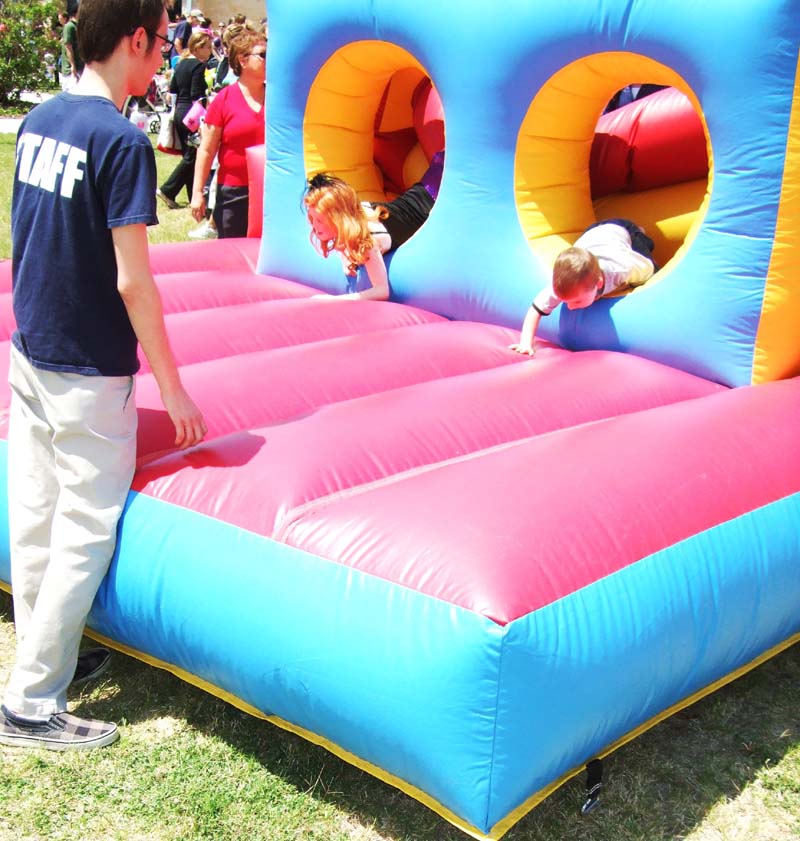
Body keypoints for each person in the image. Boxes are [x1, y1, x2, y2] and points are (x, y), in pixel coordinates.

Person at [0, 0, 206, 752]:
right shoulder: (122, 141)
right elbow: (133, 280)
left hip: (32, 349)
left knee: (35, 515)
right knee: (85, 527)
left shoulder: (42, 119)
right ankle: (31, 702)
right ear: (136, 39)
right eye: (161, 41)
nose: (163, 56)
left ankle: (45, 651)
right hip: (87, 367)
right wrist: (172, 386)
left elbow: (28, 236)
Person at [303, 150, 445, 301]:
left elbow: (382, 291)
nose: (314, 227)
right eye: (312, 218)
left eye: (320, 220)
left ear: (338, 219)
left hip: (431, 200)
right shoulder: (352, 214)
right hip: (418, 195)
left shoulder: (366, 239)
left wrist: (331, 300)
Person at [510, 219, 656, 355]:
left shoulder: (621, 269)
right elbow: (535, 310)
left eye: (577, 301)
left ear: (599, 283)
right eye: (566, 301)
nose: (570, 307)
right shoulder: (564, 284)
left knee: (649, 249)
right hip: (591, 232)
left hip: (621, 229)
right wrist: (526, 342)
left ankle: (640, 232)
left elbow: (649, 270)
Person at [189, 28, 265, 238]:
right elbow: (206, 150)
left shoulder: (277, 99)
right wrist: (197, 193)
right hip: (234, 193)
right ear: (243, 60)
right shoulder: (224, 100)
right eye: (263, 55)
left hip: (270, 193)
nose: (269, 60)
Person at [156, 31, 212, 209]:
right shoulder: (198, 66)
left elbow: (172, 89)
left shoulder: (180, 64)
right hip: (192, 114)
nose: (210, 51)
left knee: (189, 155)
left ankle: (191, 194)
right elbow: (196, 94)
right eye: (207, 47)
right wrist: (204, 112)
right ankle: (168, 189)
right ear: (198, 48)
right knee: (193, 155)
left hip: (180, 111)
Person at [59, 6, 83, 91]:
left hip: (80, 66)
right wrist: (73, 66)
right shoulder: (69, 27)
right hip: (70, 70)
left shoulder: (78, 26)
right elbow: (68, 47)